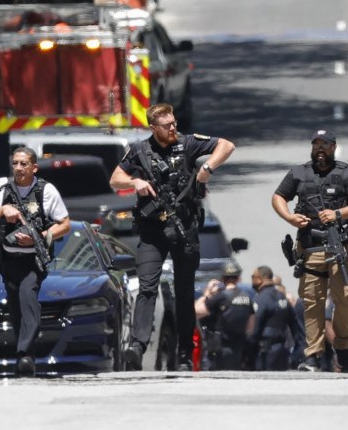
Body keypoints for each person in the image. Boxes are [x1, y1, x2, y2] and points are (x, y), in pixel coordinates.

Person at [109, 103, 235, 372]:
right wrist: (135, 183)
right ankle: (137, 345)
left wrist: (208, 168)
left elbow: (227, 145)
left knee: (184, 293)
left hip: (183, 229)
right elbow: (115, 179)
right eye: (167, 126)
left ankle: (185, 354)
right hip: (152, 232)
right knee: (146, 286)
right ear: (154, 128)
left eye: (175, 123)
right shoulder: (140, 150)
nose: (173, 128)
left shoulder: (188, 144)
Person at [272, 129, 348, 372]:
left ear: (333, 147)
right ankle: (312, 355)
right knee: (312, 301)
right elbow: (278, 197)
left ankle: (342, 345)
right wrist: (290, 218)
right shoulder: (299, 172)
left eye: (324, 145)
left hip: (344, 246)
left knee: (347, 295)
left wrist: (338, 214)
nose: (320, 149)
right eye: (316, 145)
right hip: (311, 245)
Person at [0, 147, 71, 377]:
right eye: (16, 163)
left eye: (24, 164)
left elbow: (65, 224)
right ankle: (26, 356)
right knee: (15, 308)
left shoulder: (46, 190)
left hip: (33, 259)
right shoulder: (2, 186)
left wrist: (39, 237)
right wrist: (3, 210)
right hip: (7, 258)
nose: (19, 168)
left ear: (34, 167)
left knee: (27, 296)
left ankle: (24, 355)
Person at [194, 260, 254, 370]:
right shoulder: (247, 297)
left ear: (223, 278)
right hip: (239, 348)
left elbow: (197, 311)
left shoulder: (221, 297)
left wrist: (206, 293)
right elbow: (250, 327)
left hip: (221, 348)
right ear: (238, 278)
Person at [250, 265, 300, 371]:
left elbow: (255, 330)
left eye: (253, 277)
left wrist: (248, 352)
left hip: (265, 354)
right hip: (282, 352)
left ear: (259, 278)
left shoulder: (261, 299)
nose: (252, 280)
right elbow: (295, 325)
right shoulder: (283, 298)